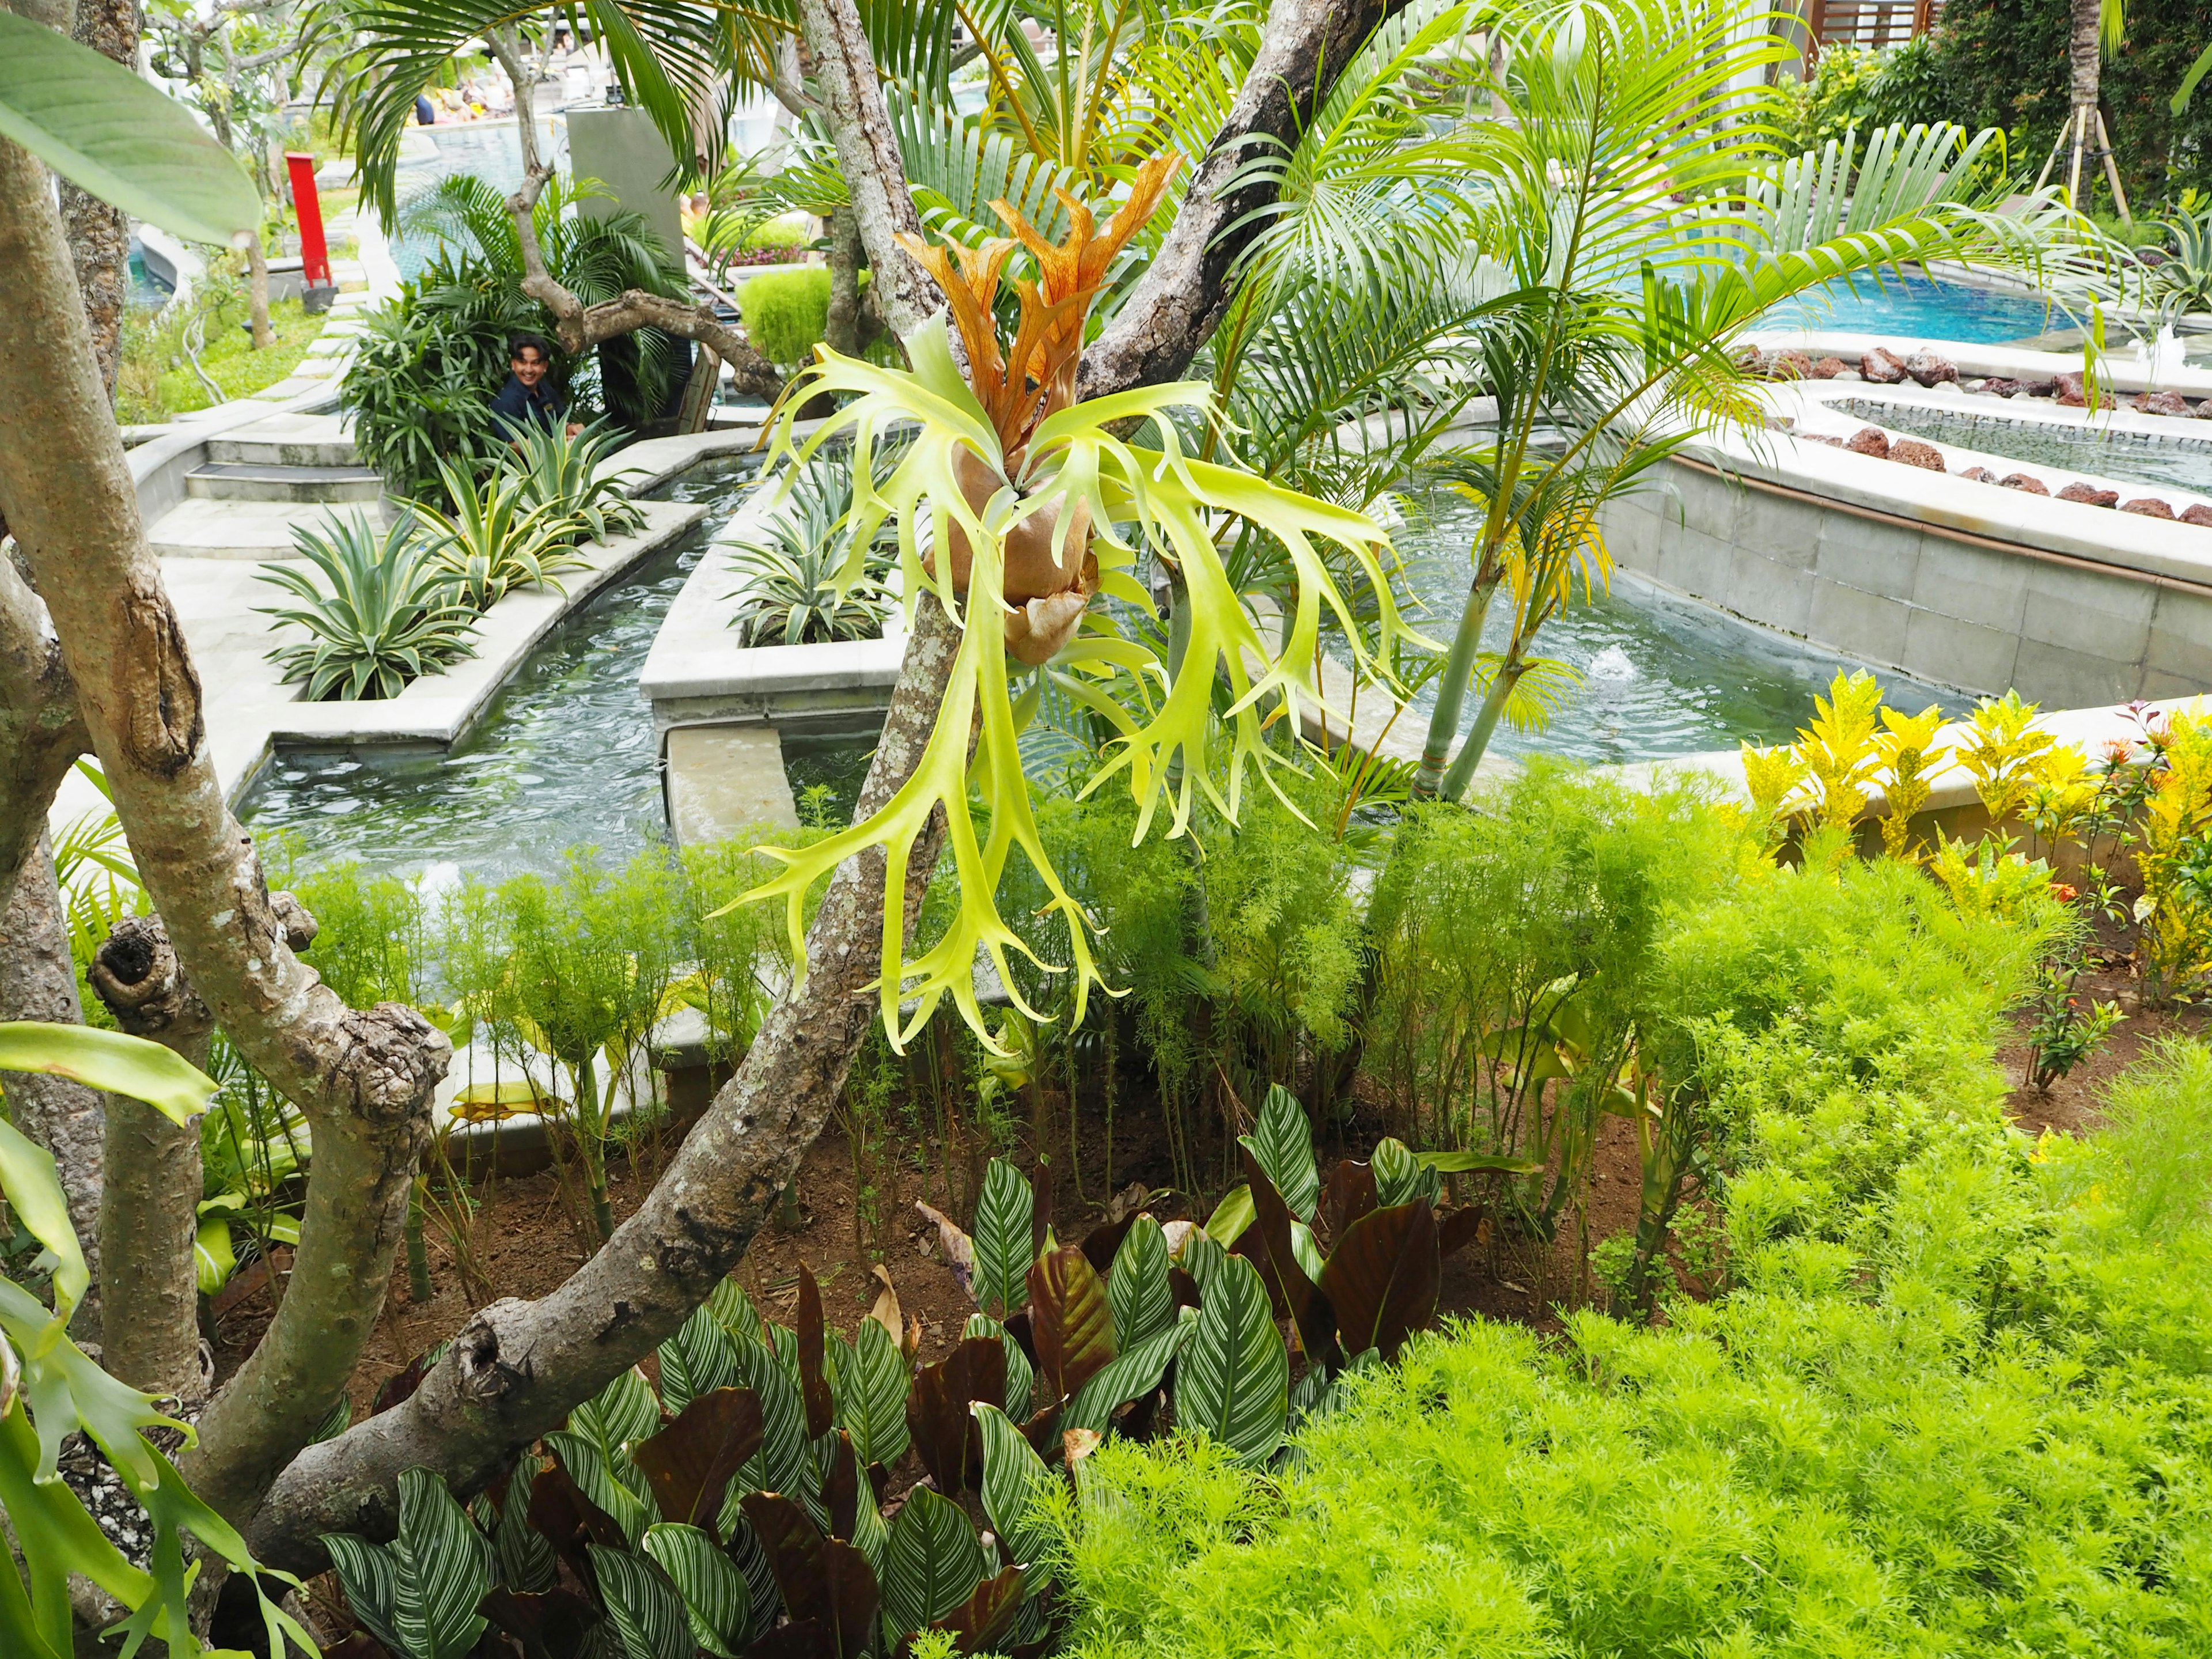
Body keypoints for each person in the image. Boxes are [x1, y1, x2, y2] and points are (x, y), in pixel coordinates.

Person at [489, 335, 581, 440]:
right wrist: (556, 443)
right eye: (523, 363)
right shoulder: (504, 402)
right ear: (513, 364)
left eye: (535, 363)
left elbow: (559, 421)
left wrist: (571, 428)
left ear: (545, 366)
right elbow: (513, 446)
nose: (529, 370)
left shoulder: (544, 387)